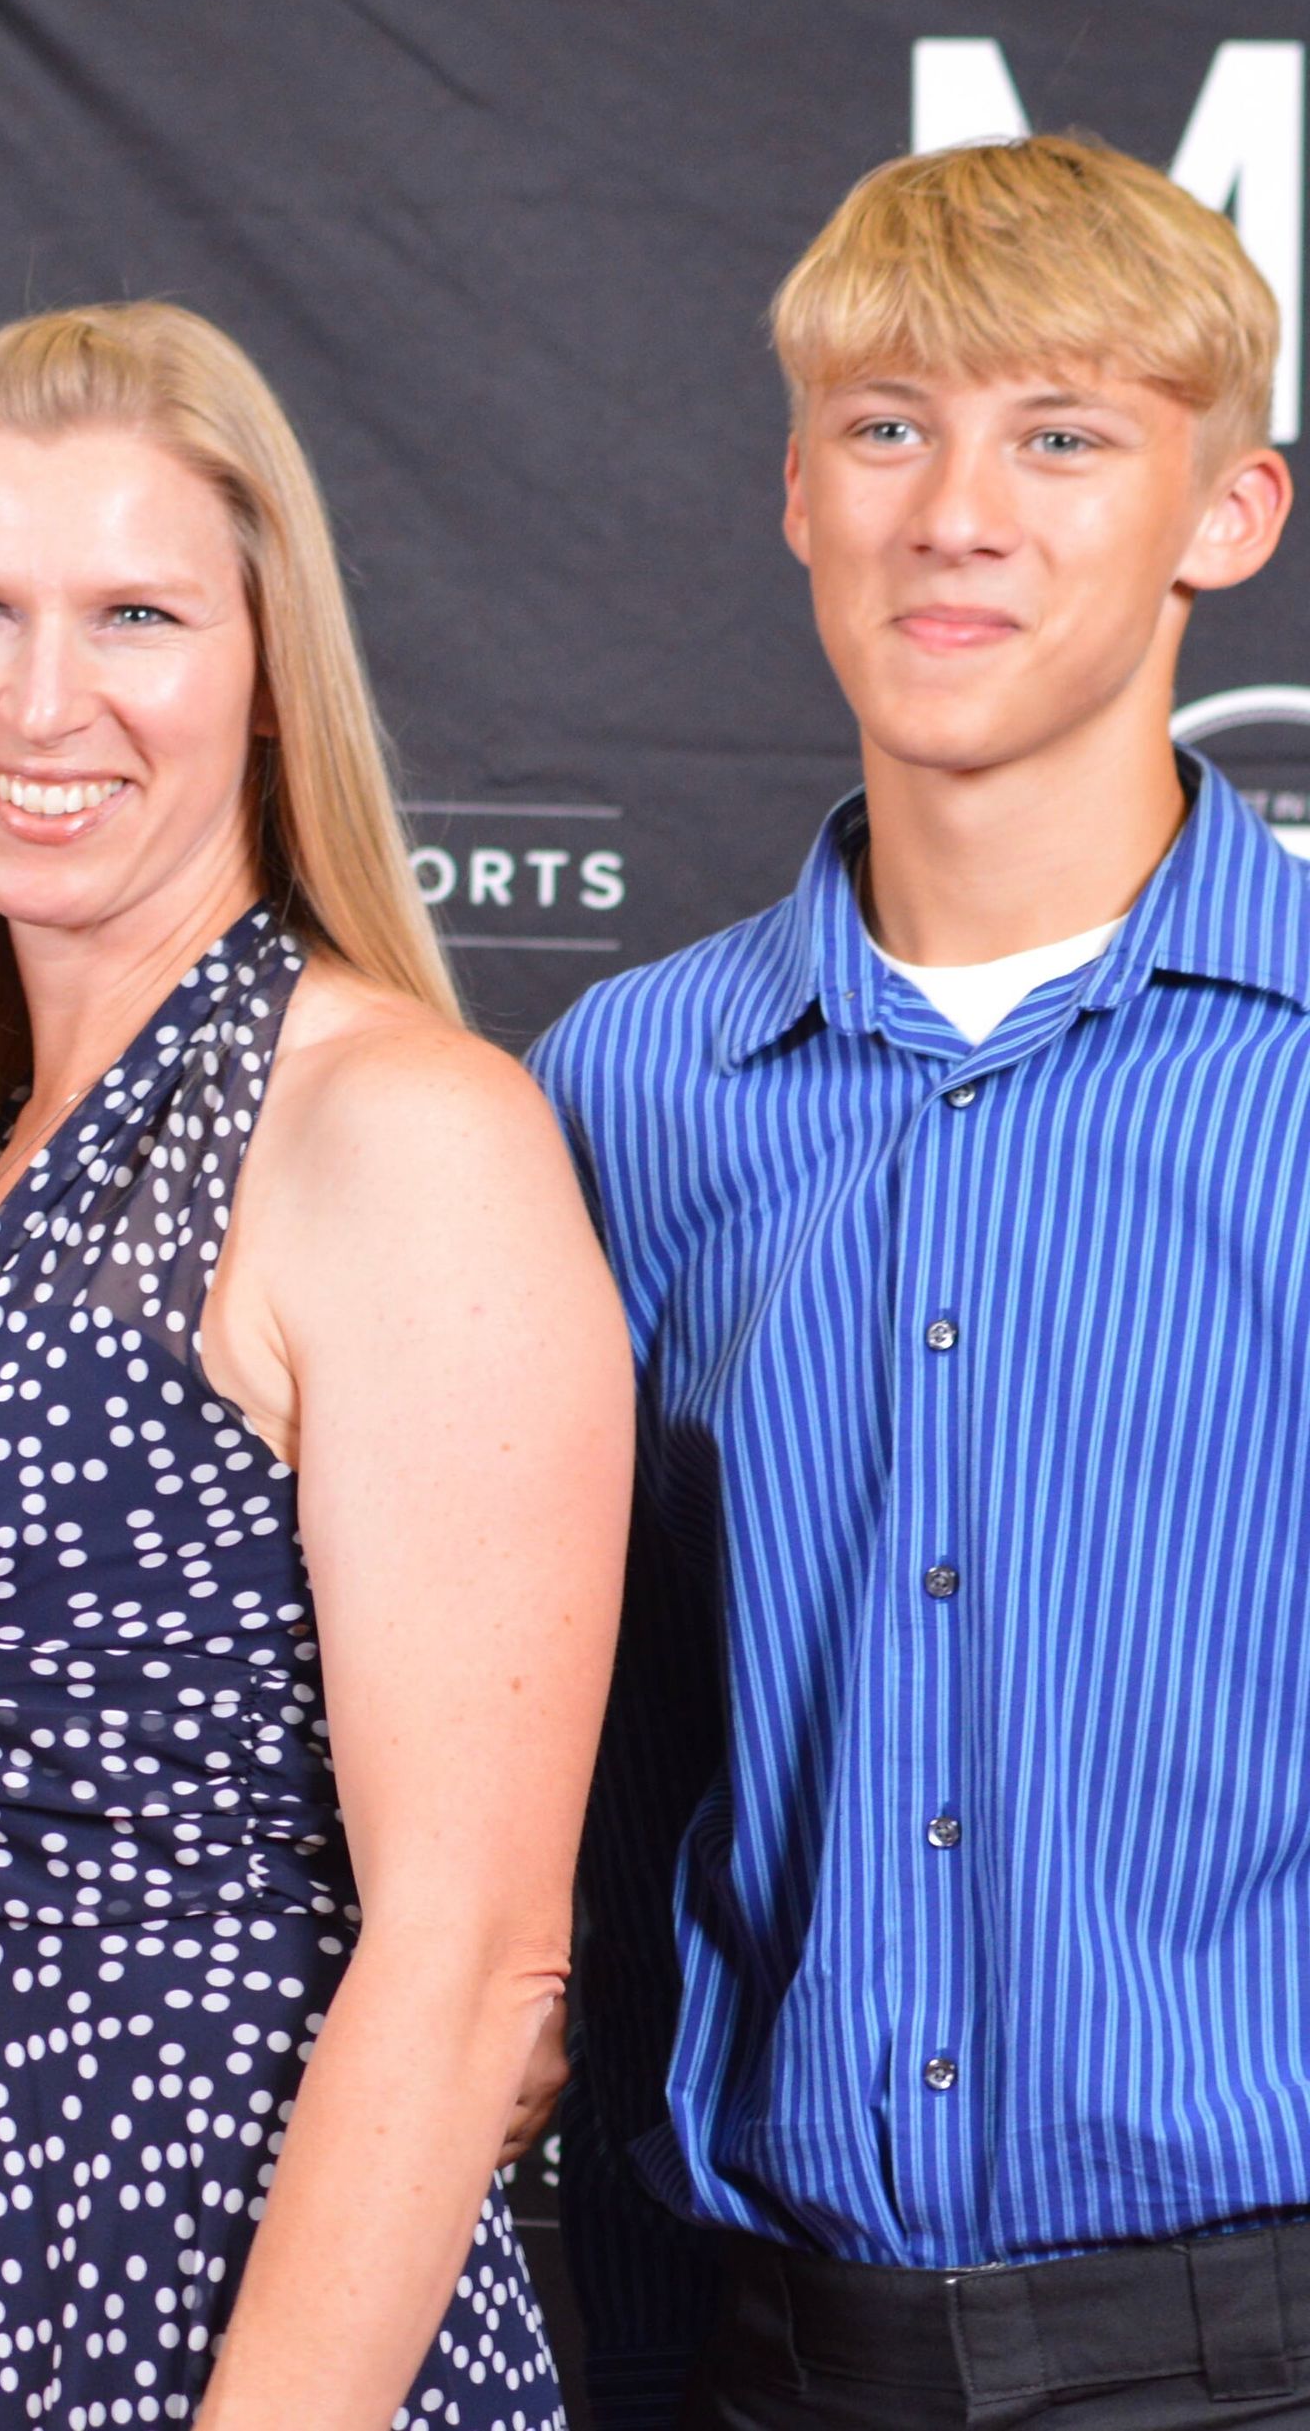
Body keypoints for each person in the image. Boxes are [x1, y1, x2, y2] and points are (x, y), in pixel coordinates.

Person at [0, 301, 631, 2429]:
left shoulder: (393, 1128)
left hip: (243, 2352)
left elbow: (480, 1952)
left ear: (258, 682)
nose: (41, 698)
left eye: (135, 612)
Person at [538, 134, 1310, 2430]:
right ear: (798, 492)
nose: (954, 508)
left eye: (1060, 434)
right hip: (769, 2348)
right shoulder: (630, 1084)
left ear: (1228, 515)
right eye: (890, 426)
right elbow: (595, 1768)